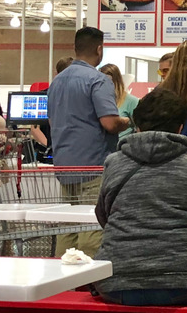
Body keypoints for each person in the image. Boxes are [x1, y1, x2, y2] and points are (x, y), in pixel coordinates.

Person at [95, 88, 187, 306]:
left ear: (137, 127)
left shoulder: (114, 163)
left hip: (117, 281)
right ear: (180, 128)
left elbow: (104, 216)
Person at [48, 27, 130, 258]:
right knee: (91, 229)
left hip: (64, 165)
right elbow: (110, 124)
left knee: (68, 228)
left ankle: (63, 286)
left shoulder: (57, 82)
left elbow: (53, 120)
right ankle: (89, 285)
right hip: (93, 166)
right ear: (99, 49)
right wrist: (127, 120)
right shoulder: (98, 80)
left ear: (75, 48)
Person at [99, 64, 139, 139]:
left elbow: (140, 129)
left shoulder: (131, 101)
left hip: (123, 146)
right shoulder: (99, 101)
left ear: (116, 81)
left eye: (109, 82)